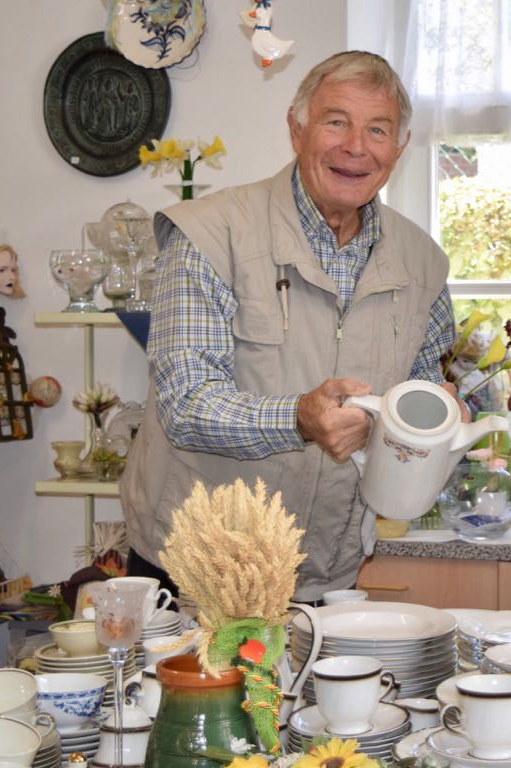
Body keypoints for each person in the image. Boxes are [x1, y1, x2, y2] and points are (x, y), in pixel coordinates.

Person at [120, 51, 457, 603]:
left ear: (398, 149)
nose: (356, 146)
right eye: (336, 121)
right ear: (296, 128)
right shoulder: (210, 234)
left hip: (326, 571)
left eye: (377, 129)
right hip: (194, 569)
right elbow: (186, 405)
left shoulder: (422, 263)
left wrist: (436, 418)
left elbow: (416, 395)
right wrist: (299, 417)